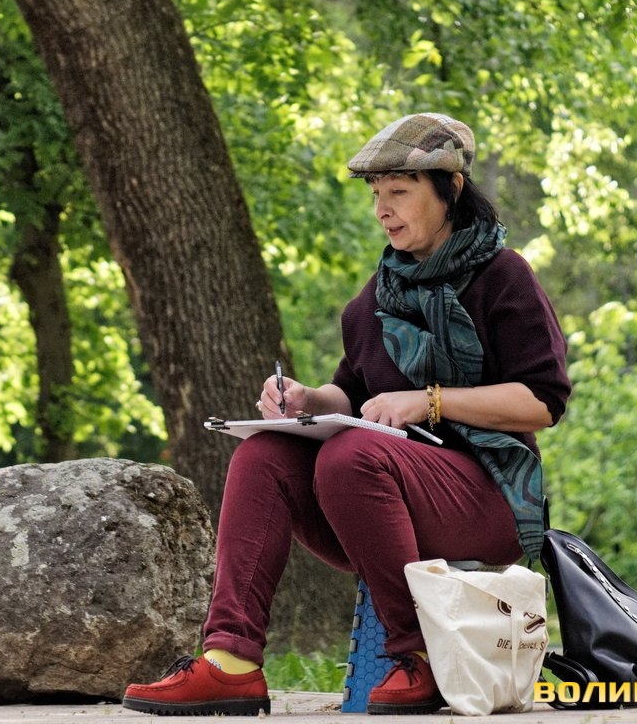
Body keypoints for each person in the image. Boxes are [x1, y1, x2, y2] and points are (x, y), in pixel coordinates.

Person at [121, 113, 571, 716]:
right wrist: (307, 400)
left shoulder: (502, 276)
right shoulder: (374, 300)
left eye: (399, 192)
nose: (383, 210)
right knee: (264, 453)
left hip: (489, 499)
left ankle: (419, 658)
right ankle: (231, 662)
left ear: (452, 189)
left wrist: (429, 400)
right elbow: (351, 396)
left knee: (351, 455)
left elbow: (542, 401)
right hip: (371, 501)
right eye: (377, 194)